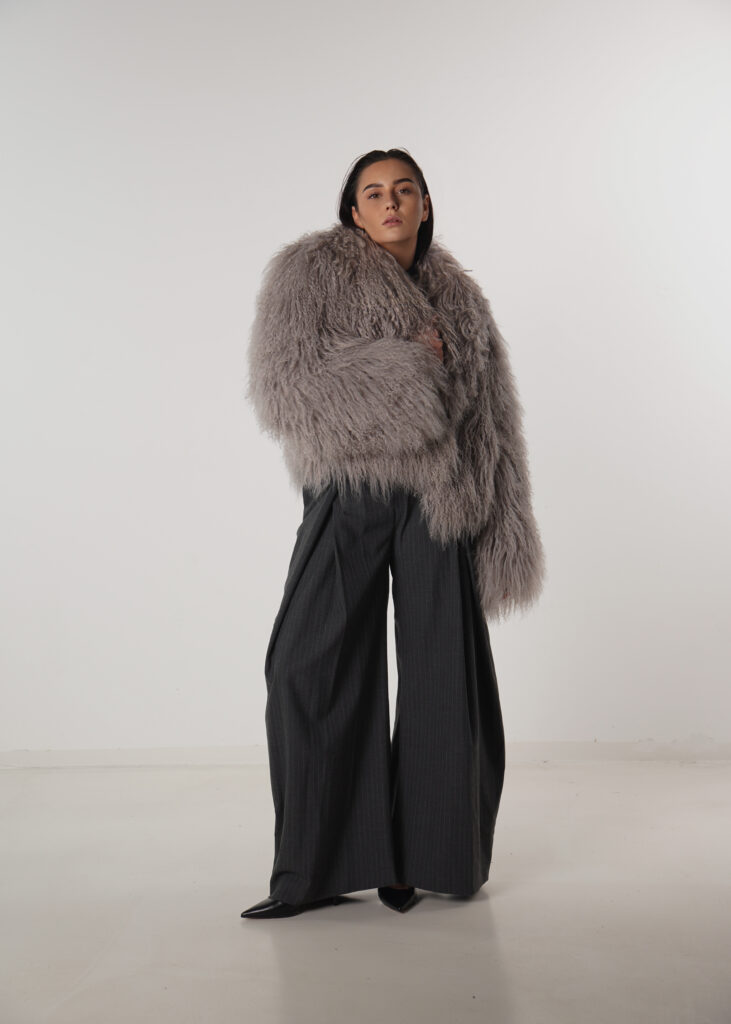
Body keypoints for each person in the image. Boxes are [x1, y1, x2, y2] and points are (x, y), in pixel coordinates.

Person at [240, 148, 546, 919]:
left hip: (440, 496)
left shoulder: (459, 296)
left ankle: (422, 859)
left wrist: (500, 518)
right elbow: (285, 386)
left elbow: (490, 419)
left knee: (446, 676)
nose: (389, 202)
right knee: (306, 665)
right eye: (373, 192)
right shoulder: (310, 274)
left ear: (424, 203)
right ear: (352, 210)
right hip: (350, 486)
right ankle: (311, 872)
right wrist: (408, 366)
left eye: (403, 190)